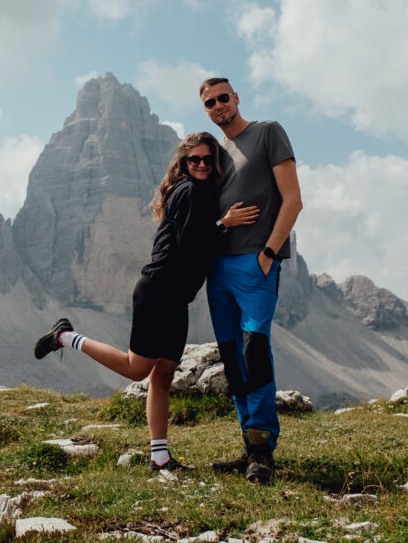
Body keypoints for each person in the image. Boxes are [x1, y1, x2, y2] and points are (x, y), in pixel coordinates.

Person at [33, 132, 258, 471]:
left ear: (214, 164)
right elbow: (189, 243)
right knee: (137, 370)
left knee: (164, 375)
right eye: (192, 159)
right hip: (159, 290)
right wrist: (224, 224)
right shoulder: (189, 191)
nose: (200, 164)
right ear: (183, 163)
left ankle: (160, 458)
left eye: (207, 160)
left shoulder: (199, 192)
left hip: (176, 296)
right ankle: (65, 337)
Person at [198, 77, 302, 483]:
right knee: (232, 358)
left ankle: (263, 452)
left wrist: (269, 254)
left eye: (224, 98)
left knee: (254, 350)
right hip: (218, 268)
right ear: (205, 110)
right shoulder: (215, 154)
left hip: (255, 264)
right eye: (210, 102)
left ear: (236, 98)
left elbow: (293, 200)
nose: (219, 105)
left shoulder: (268, 132)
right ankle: (249, 448)